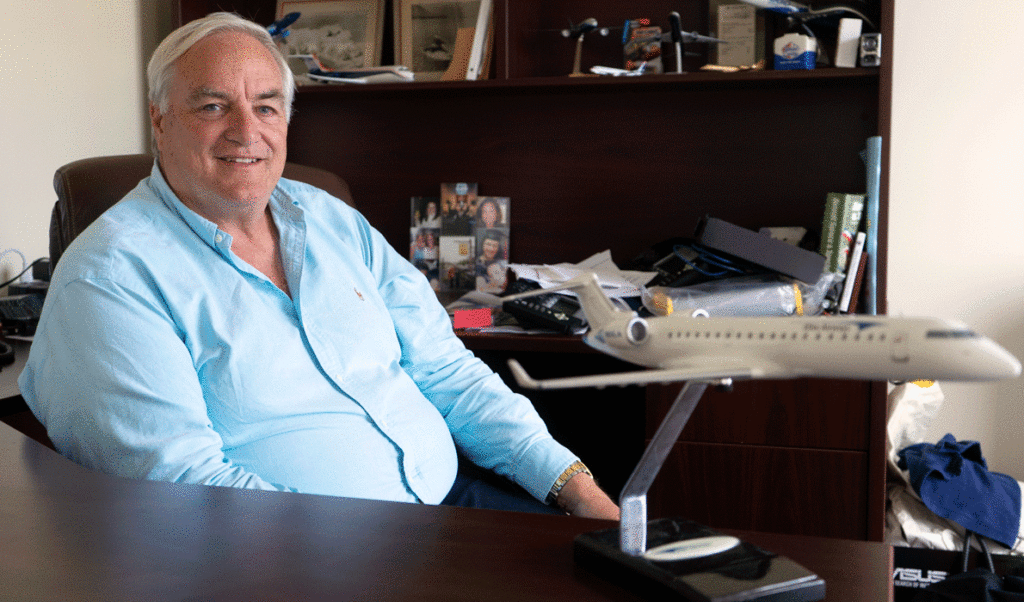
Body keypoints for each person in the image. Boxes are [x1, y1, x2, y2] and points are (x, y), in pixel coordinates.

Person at [19, 13, 619, 520]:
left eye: (266, 105)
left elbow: (445, 371)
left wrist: (581, 493)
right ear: (159, 119)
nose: (246, 131)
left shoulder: (329, 219)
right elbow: (183, 483)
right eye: (212, 106)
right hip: (297, 557)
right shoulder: (109, 278)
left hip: (454, 505)